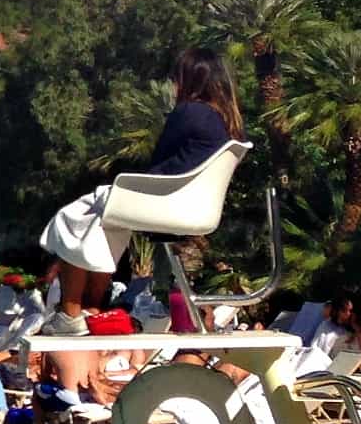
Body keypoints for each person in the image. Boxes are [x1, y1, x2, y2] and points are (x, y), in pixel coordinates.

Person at [40, 47, 243, 318]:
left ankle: (70, 313)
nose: (174, 85)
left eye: (177, 78)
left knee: (73, 216)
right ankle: (91, 309)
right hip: (195, 206)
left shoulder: (189, 112)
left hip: (166, 201)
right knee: (105, 223)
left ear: (191, 79)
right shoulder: (230, 123)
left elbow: (158, 163)